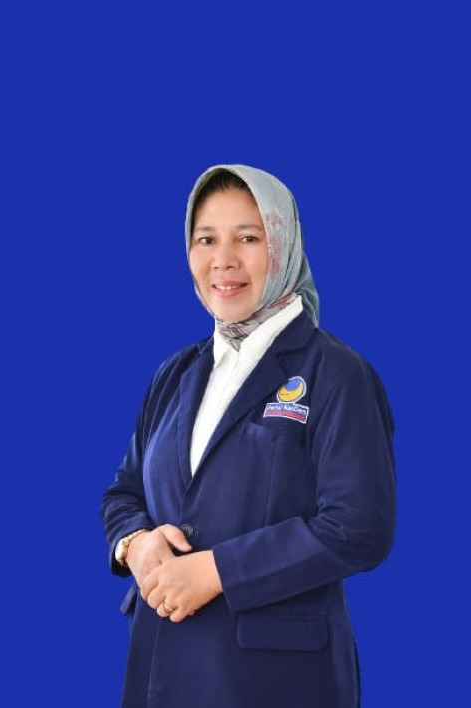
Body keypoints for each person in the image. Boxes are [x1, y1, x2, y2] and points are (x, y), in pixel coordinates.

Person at [101, 164, 396, 708]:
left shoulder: (337, 374)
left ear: (283, 247)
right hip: (158, 674)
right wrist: (135, 543)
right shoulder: (174, 374)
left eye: (248, 238)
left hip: (273, 682)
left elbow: (360, 527)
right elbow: (124, 491)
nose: (224, 260)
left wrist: (217, 571)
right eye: (206, 240)